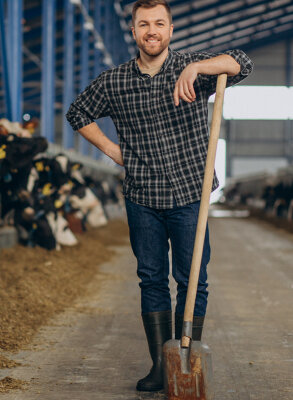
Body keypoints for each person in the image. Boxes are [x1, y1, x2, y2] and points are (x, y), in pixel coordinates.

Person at [66, 0, 253, 392]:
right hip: (142, 196)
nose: (152, 30)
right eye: (143, 24)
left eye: (159, 23)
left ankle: (186, 357)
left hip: (190, 194)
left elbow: (241, 62)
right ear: (133, 32)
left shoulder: (194, 68)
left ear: (170, 29)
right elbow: (78, 113)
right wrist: (115, 152)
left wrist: (198, 67)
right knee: (151, 279)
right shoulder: (114, 81)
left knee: (192, 281)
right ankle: (159, 366)